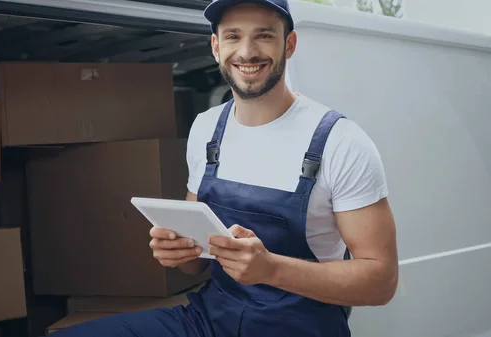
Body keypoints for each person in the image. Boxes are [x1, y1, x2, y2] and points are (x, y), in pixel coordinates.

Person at [50, 0, 399, 336]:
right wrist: (180, 251)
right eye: (233, 36)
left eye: (264, 35)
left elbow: (381, 282)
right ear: (216, 46)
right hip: (209, 320)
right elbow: (197, 262)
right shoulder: (205, 128)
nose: (247, 52)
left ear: (289, 44)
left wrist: (272, 269)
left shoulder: (340, 141)